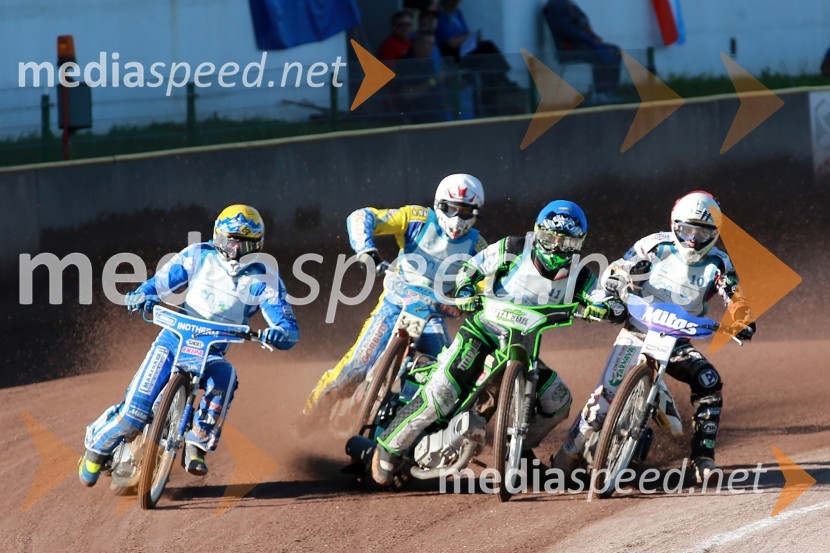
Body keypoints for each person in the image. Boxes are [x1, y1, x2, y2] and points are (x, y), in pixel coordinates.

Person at [372, 200, 626, 485]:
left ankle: (516, 449)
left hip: (522, 350)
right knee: (442, 392)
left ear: (578, 243)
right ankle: (390, 446)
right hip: (482, 333)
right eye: (549, 238)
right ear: (537, 233)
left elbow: (604, 299)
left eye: (565, 242)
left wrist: (609, 308)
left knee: (559, 401)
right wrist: (466, 289)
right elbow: (471, 268)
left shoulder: (579, 277)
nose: (555, 248)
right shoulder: (513, 248)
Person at [79, 205, 300, 486]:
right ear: (218, 237)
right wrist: (142, 295)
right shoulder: (198, 255)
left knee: (225, 377)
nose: (235, 249)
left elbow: (286, 323)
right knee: (134, 411)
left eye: (244, 244)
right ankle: (97, 448)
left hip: (213, 351)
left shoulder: (265, 278)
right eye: (230, 240)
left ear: (257, 244)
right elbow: (159, 283)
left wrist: (280, 333)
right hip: (173, 340)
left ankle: (198, 442)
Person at [552, 191, 756, 484]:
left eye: (703, 232)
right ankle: (566, 455)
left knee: (708, 380)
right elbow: (620, 266)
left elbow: (736, 296)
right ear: (674, 224)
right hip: (637, 330)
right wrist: (618, 278)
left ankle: (703, 458)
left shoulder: (719, 264)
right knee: (604, 399)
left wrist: (742, 319)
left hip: (676, 340)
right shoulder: (655, 244)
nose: (693, 240)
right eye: (686, 230)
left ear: (716, 233)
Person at [303, 174, 488, 417]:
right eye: (451, 209)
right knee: (354, 370)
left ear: (475, 213)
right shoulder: (415, 219)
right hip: (395, 304)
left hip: (433, 316)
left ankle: (410, 430)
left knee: (444, 378)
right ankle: (307, 417)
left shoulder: (478, 247)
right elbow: (362, 216)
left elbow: (487, 284)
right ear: (439, 205)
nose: (456, 218)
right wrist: (365, 249)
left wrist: (475, 300)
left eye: (464, 212)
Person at [543, 0, 622, 101]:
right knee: (600, 54)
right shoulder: (553, 8)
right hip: (569, 49)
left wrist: (594, 38)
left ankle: (610, 91)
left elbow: (583, 25)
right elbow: (567, 30)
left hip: (582, 45)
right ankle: (601, 93)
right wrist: (590, 40)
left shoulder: (567, 4)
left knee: (614, 50)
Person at [395, 30, 452, 124]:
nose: (431, 47)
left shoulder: (432, 62)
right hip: (418, 118)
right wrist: (433, 81)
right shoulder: (405, 64)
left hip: (438, 115)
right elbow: (408, 94)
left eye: (433, 44)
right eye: (428, 43)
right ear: (417, 44)